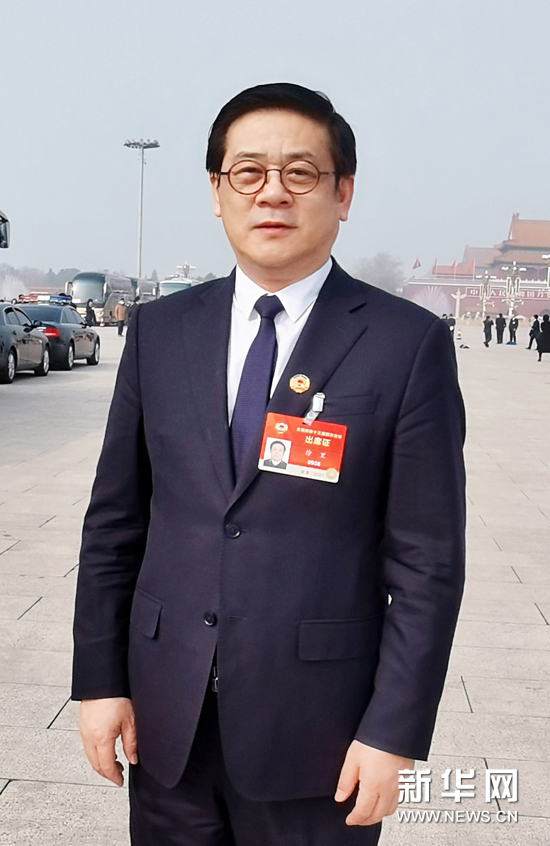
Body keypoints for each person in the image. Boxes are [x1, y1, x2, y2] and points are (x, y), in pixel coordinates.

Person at [72, 83, 466, 846]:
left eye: (301, 173)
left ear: (343, 193)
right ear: (216, 192)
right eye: (248, 172)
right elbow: (114, 526)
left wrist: (393, 730)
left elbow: (428, 563)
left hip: (321, 737)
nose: (272, 193)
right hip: (167, 723)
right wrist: (100, 681)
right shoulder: (160, 332)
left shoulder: (405, 344)